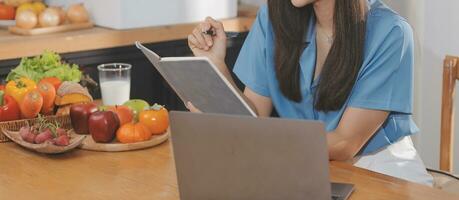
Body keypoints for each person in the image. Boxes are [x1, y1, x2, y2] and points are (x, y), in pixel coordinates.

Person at [186, 0, 433, 186]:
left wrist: (259, 139)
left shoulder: (390, 32)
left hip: (379, 167)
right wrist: (215, 66)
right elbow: (253, 114)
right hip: (305, 161)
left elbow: (344, 143)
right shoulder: (273, 19)